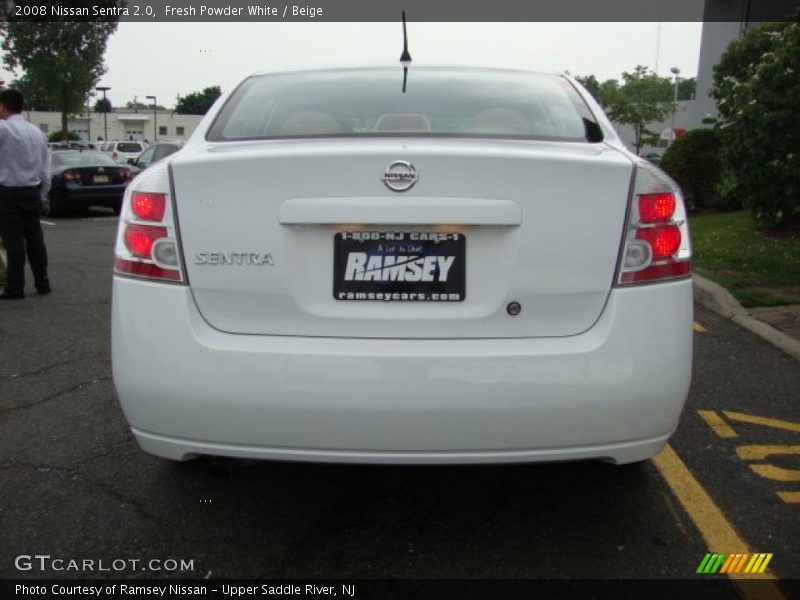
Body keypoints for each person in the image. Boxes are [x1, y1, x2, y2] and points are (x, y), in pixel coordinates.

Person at [0, 89, 51, 300]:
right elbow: (45, 169)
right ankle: (42, 282)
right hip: (32, 190)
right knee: (35, 239)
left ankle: (15, 287)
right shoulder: (37, 133)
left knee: (13, 241)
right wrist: (42, 194)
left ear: (3, 105)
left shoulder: (3, 128)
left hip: (8, 191)